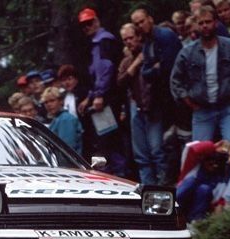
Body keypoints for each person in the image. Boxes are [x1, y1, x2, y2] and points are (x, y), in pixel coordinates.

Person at [170, 6, 230, 142]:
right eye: (201, 23)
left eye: (208, 22)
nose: (205, 26)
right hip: (202, 109)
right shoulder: (187, 52)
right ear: (196, 25)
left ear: (216, 23)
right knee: (199, 149)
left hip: (227, 105)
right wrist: (187, 100)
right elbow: (176, 80)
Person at [77, 7, 127, 175]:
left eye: (89, 23)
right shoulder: (96, 43)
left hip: (108, 98)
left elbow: (106, 70)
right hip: (102, 97)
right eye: (83, 25)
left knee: (109, 139)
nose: (86, 27)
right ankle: (113, 173)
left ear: (97, 21)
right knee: (104, 140)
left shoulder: (104, 41)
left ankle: (119, 175)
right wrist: (90, 97)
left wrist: (99, 95)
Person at [118, 23, 166, 185]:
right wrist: (135, 65)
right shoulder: (126, 61)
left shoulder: (151, 54)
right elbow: (120, 82)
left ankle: (163, 186)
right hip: (135, 106)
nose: (128, 42)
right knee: (140, 154)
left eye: (131, 38)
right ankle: (148, 186)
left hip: (153, 105)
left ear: (139, 37)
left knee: (157, 150)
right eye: (125, 39)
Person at [41, 87, 83, 154]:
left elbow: (66, 148)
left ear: (61, 101)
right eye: (46, 102)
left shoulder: (66, 119)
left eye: (52, 100)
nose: (49, 105)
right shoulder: (57, 119)